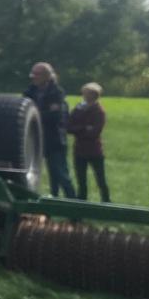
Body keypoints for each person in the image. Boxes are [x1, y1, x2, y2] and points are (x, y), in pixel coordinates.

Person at [24, 62, 72, 198]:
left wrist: (34, 115)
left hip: (54, 139)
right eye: (33, 74)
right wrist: (41, 113)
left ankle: (74, 203)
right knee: (38, 174)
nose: (33, 77)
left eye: (37, 74)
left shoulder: (56, 92)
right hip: (35, 138)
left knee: (60, 174)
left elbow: (55, 117)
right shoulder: (29, 92)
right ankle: (53, 201)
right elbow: (24, 111)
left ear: (47, 76)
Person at [65, 82, 109, 202]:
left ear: (94, 95)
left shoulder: (99, 111)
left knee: (100, 179)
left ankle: (106, 201)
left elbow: (95, 131)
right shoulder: (78, 108)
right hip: (79, 150)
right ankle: (82, 202)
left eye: (86, 93)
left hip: (95, 150)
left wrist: (79, 129)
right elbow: (68, 127)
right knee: (81, 180)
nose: (83, 95)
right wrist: (84, 128)